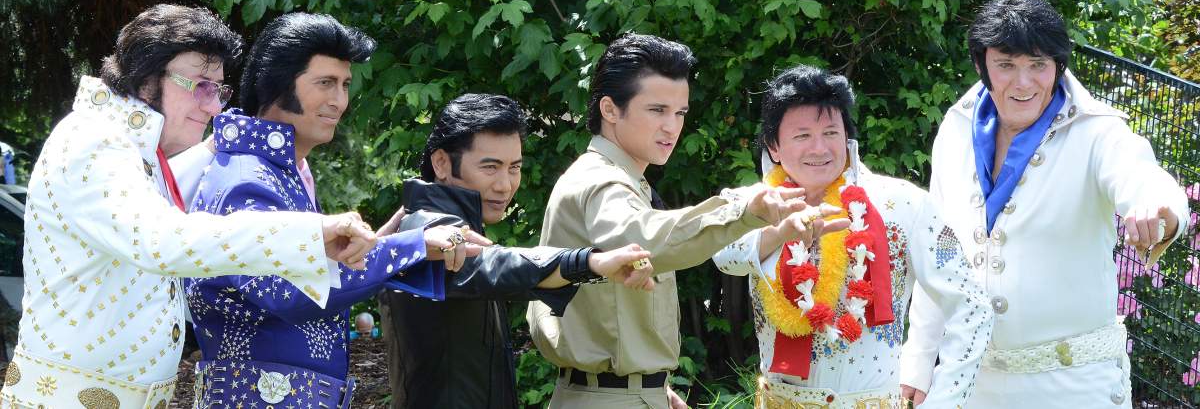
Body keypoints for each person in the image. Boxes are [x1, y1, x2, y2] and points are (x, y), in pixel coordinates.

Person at [0, 5, 376, 408]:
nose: (214, 107)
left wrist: (231, 139)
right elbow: (165, 240)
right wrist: (311, 233)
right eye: (200, 86)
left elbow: (166, 193)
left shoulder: (139, 153)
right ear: (147, 78)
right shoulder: (96, 141)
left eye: (219, 90)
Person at [182, 13, 491, 409]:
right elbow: (287, 291)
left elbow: (307, 270)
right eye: (325, 83)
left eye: (345, 85)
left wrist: (380, 244)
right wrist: (410, 248)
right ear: (275, 83)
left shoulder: (280, 170)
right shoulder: (248, 178)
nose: (339, 101)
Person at [901, 0, 1190, 408]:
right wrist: (919, 361)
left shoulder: (1099, 133)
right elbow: (939, 255)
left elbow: (1142, 178)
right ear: (983, 65)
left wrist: (1158, 211)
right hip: (971, 386)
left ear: (1058, 66)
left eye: (1038, 65)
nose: (1023, 83)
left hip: (1076, 388)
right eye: (1006, 65)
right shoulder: (956, 127)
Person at [526, 33, 824, 409]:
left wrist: (649, 388)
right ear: (609, 109)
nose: (672, 127)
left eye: (680, 113)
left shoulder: (622, 178)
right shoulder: (602, 182)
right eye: (657, 110)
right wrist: (744, 211)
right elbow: (644, 240)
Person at [710, 64, 993, 408]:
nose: (820, 148)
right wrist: (778, 232)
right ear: (774, 146)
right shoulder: (752, 204)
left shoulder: (902, 203)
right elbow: (724, 255)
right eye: (802, 136)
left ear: (847, 136)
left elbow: (971, 303)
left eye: (830, 132)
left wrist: (945, 401)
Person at [380, 92, 658, 409]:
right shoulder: (427, 228)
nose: (505, 184)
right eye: (490, 167)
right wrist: (589, 261)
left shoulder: (437, 223)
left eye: (514, 167)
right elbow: (494, 264)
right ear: (442, 162)